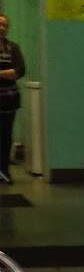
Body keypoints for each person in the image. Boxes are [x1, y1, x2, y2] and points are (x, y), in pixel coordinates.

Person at [0, 13, 25, 183]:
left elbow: (20, 70)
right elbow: (13, 71)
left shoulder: (13, 48)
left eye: (5, 25)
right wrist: (8, 73)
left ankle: (4, 171)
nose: (2, 28)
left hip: (9, 100)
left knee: (6, 135)